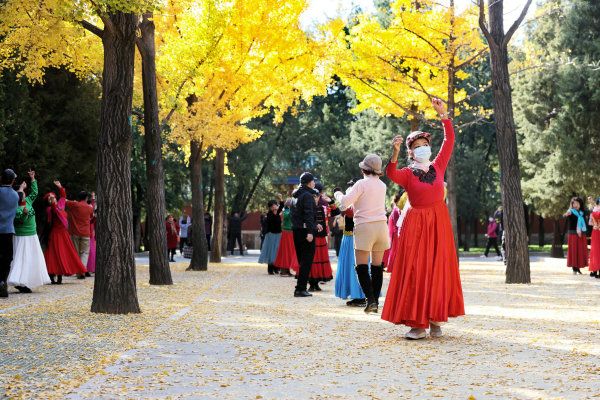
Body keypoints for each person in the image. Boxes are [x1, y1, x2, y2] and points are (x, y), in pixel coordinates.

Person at [382, 98, 464, 340]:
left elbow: (449, 140)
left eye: (425, 144)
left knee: (438, 268)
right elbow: (391, 173)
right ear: (411, 151)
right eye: (417, 146)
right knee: (416, 270)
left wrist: (444, 115)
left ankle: (436, 319)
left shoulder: (438, 165)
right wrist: (394, 152)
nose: (422, 148)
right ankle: (417, 324)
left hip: (438, 221)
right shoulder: (407, 173)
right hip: (416, 224)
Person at [334, 153, 389, 314]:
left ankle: (370, 300)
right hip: (381, 226)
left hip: (365, 226)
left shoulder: (361, 184)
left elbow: (344, 204)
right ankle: (376, 301)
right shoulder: (382, 185)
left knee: (361, 266)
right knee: (377, 266)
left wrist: (338, 194)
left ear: (364, 169)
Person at [8, 170, 51, 292]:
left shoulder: (27, 201)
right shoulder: (15, 206)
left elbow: (35, 192)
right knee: (22, 259)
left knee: (31, 258)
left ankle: (26, 281)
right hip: (21, 236)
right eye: (21, 192)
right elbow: (19, 220)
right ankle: (19, 282)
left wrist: (33, 179)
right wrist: (24, 214)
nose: (23, 194)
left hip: (32, 235)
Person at [44, 181, 87, 284]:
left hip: (64, 234)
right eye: (50, 198)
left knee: (64, 254)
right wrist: (52, 203)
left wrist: (60, 187)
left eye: (53, 197)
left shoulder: (61, 205)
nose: (53, 199)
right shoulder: (50, 209)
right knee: (55, 254)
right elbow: (54, 210)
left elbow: (63, 197)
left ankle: (60, 276)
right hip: (56, 234)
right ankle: (52, 275)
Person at [334, 179, 366, 306]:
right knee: (351, 266)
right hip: (349, 237)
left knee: (355, 266)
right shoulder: (354, 200)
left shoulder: (358, 202)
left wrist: (338, 195)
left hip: (354, 238)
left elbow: (348, 210)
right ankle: (357, 294)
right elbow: (342, 209)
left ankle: (360, 296)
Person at [291, 172, 320, 297]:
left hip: (297, 230)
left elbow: (297, 214)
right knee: (306, 260)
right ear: (309, 182)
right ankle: (300, 288)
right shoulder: (307, 195)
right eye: (313, 181)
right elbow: (308, 214)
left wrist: (314, 224)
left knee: (302, 260)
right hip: (305, 231)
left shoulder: (295, 195)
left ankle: (300, 287)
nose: (314, 183)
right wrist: (310, 231)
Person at [0, 169, 22, 297]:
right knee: (7, 259)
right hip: (8, 231)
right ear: (13, 181)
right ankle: (3, 282)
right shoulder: (15, 196)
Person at [309, 184, 334, 291]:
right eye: (313, 196)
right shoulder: (307, 209)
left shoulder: (323, 208)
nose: (315, 198)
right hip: (312, 237)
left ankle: (317, 282)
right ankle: (311, 283)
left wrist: (331, 201)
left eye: (317, 196)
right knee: (312, 259)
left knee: (321, 259)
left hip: (321, 237)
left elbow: (336, 212)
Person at [65, 187, 94, 279]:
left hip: (75, 233)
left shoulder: (74, 204)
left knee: (76, 253)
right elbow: (92, 217)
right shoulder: (90, 207)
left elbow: (64, 200)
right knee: (84, 253)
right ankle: (82, 271)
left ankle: (79, 271)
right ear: (86, 198)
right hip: (86, 233)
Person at [273, 199, 298, 277]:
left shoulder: (290, 211)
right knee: (286, 251)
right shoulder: (285, 211)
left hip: (291, 233)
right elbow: (286, 216)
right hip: (287, 233)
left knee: (290, 251)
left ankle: (287, 270)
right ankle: (283, 270)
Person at [259, 199, 284, 274]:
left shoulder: (278, 211)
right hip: (271, 234)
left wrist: (281, 200)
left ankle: (276, 268)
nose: (274, 207)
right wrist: (274, 213)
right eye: (272, 206)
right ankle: (270, 269)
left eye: (275, 205)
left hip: (278, 234)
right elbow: (271, 222)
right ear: (270, 208)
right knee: (271, 251)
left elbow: (282, 205)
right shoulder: (269, 214)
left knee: (277, 251)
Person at [564, 197, 588, 275]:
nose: (575, 205)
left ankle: (578, 268)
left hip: (581, 234)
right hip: (573, 234)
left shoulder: (582, 213)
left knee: (580, 251)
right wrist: (566, 214)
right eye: (574, 203)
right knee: (574, 251)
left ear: (580, 204)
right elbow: (565, 215)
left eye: (577, 203)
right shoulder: (571, 211)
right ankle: (574, 268)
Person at [383, 192, 402, 273]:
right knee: (394, 250)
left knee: (393, 250)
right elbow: (397, 222)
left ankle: (392, 265)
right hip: (395, 232)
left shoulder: (395, 209)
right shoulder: (396, 209)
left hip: (394, 231)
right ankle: (392, 266)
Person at [589, 198, 600, 278]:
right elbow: (590, 222)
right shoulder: (594, 211)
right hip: (596, 232)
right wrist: (595, 225)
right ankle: (595, 270)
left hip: (596, 231)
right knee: (595, 250)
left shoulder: (594, 211)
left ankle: (596, 270)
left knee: (597, 250)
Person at [86, 193, 97, 275]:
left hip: (90, 231)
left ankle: (89, 267)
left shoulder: (88, 207)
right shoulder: (89, 208)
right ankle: (90, 267)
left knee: (90, 250)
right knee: (90, 250)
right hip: (89, 231)